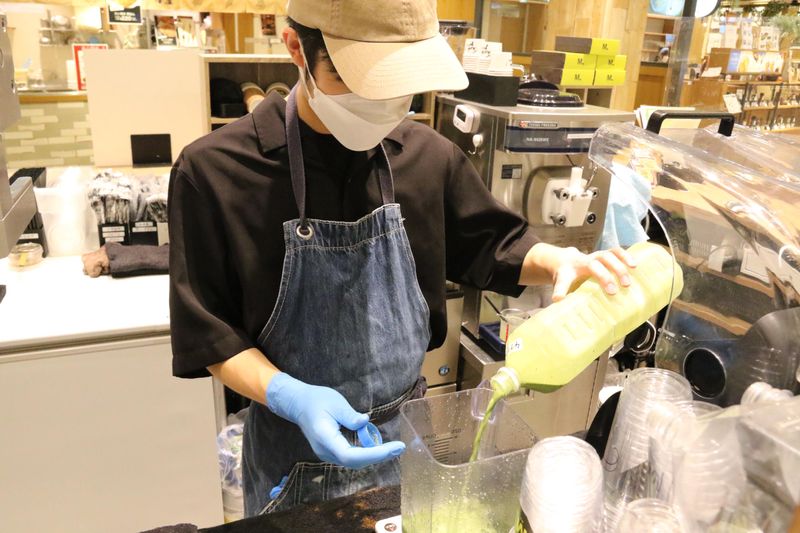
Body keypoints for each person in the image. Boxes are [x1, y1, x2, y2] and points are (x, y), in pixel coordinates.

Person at [168, 0, 637, 517]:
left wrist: (558, 260)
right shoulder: (216, 172)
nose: (381, 102)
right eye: (357, 79)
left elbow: (489, 243)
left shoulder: (427, 157)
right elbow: (211, 332)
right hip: (290, 456)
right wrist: (288, 395)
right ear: (296, 48)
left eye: (399, 83)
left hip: (406, 439)